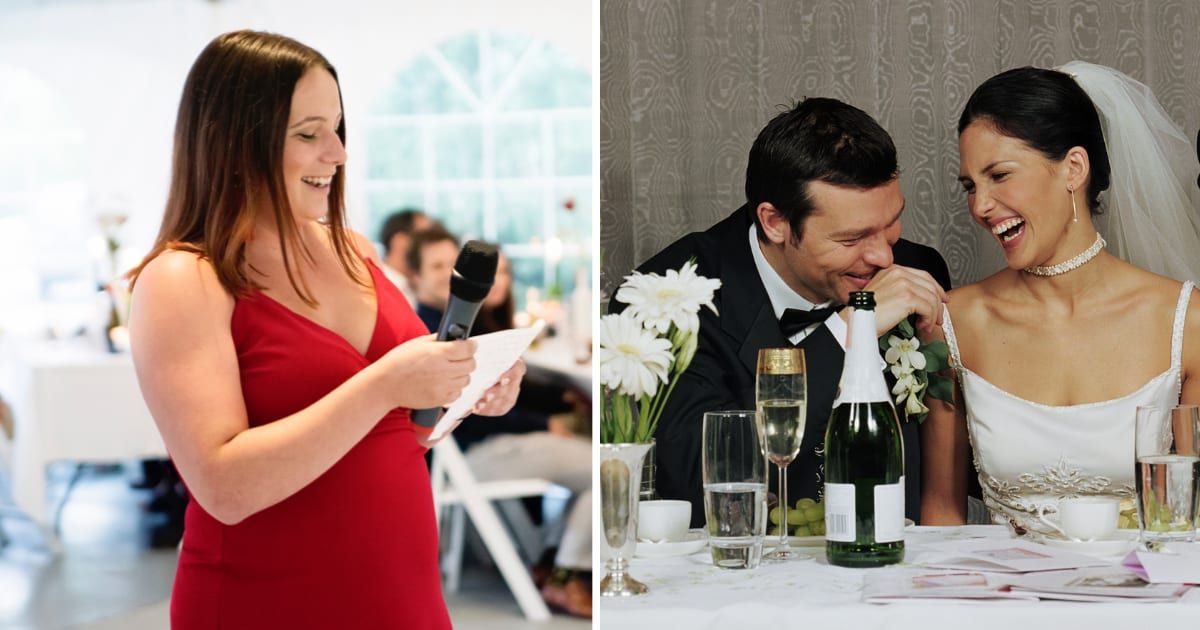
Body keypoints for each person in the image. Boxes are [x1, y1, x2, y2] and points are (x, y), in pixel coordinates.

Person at [126, 30, 524, 629]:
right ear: (234, 143)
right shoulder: (183, 278)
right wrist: (385, 385)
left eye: (337, 130)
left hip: (400, 595)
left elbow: (404, 432)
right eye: (308, 134)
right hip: (266, 603)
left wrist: (469, 388)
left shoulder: (353, 249)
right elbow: (223, 488)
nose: (337, 153)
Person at [618, 97, 952, 526]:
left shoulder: (916, 271)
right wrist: (848, 330)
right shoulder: (665, 299)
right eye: (851, 239)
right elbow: (696, 484)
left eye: (890, 224)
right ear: (774, 222)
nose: (884, 257)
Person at [920, 63, 1200, 536]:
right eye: (970, 186)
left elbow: (1192, 520)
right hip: (1001, 584)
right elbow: (942, 515)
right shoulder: (954, 323)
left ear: (1073, 168)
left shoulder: (1184, 322)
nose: (979, 206)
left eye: (999, 175)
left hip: (1142, 582)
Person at [424, 248, 593, 617]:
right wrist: (543, 423)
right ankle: (567, 574)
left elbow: (515, 393)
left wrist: (557, 400)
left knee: (592, 462)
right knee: (603, 467)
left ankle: (552, 560)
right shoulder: (446, 329)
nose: (496, 282)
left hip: (473, 450)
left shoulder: (477, 323)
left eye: (504, 273)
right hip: (475, 452)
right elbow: (476, 409)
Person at [407, 225, 461, 332]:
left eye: (454, 263)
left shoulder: (467, 321)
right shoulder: (417, 333)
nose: (449, 273)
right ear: (416, 276)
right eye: (437, 266)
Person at [377, 208, 433, 305]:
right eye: (423, 236)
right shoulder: (378, 288)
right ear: (399, 240)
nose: (431, 245)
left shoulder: (416, 286)